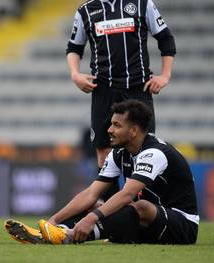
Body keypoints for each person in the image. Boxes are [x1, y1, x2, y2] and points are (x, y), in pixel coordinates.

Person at [5, 99, 198, 245]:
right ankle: (54, 232)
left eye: (117, 125)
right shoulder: (118, 154)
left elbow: (127, 194)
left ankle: (68, 237)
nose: (109, 130)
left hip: (182, 227)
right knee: (95, 204)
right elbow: (91, 193)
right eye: (111, 124)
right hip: (147, 225)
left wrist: (92, 218)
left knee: (140, 206)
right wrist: (53, 220)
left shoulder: (154, 153)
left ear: (133, 131)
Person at [67, 0, 176, 199]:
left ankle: (143, 212)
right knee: (104, 156)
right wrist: (75, 74)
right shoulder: (86, 10)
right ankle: (114, 218)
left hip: (137, 88)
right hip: (103, 90)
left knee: (143, 152)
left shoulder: (143, 4)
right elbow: (74, 47)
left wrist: (165, 76)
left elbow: (166, 39)